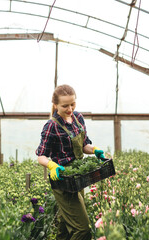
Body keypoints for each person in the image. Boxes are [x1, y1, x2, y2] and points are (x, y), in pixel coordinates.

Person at [36, 84, 105, 240]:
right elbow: (41, 155)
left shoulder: (78, 118)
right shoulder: (51, 126)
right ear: (55, 105)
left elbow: (84, 144)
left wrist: (94, 150)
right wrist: (52, 165)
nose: (70, 109)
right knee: (82, 230)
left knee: (66, 229)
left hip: (77, 177)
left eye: (72, 104)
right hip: (63, 179)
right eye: (65, 105)